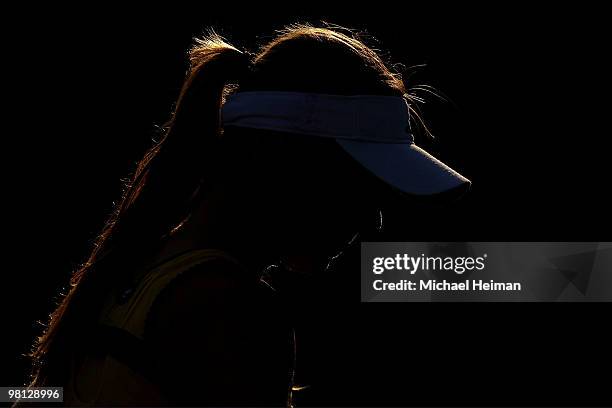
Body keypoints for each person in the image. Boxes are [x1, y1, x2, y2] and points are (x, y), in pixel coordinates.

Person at [25, 24, 470, 407]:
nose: (372, 220)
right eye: (358, 187)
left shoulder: (143, 266)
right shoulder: (228, 308)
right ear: (291, 165)